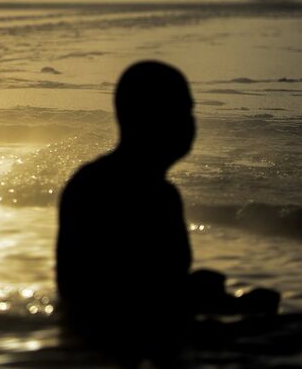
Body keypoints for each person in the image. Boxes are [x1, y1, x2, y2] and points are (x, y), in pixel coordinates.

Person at [55, 61, 279, 364]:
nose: (191, 124)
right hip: (110, 344)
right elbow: (118, 298)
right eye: (182, 112)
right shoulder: (121, 189)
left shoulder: (145, 189)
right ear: (147, 118)